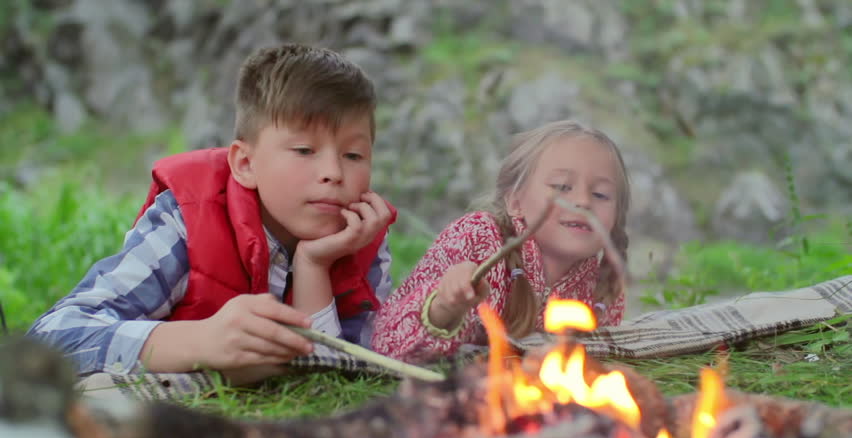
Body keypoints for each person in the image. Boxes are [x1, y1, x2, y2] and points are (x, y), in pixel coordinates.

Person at [27, 44, 396, 386]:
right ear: (246, 164)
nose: (333, 172)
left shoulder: (361, 234)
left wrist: (313, 265)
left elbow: (343, 382)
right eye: (304, 150)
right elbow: (51, 338)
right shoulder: (188, 218)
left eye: (354, 156)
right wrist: (200, 341)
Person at [371, 120, 630, 363]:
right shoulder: (477, 238)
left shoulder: (602, 283)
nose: (584, 201)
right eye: (562, 186)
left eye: (600, 194)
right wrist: (444, 307)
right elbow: (386, 345)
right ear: (515, 201)